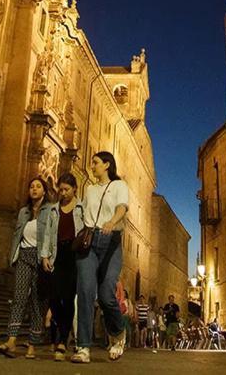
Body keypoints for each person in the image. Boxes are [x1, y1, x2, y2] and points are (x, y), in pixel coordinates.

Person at [71, 152, 131, 364]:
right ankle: (83, 347)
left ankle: (118, 332)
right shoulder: (89, 189)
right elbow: (83, 214)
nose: (92, 166)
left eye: (95, 162)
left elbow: (122, 207)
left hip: (111, 241)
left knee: (106, 295)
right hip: (89, 242)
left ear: (107, 165)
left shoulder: (119, 186)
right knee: (85, 292)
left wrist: (112, 222)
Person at [0, 176, 58, 359]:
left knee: (37, 302)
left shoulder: (50, 211)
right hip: (24, 255)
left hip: (41, 258)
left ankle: (32, 344)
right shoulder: (24, 212)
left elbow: (51, 235)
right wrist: (12, 256)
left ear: (44, 191)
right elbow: (17, 235)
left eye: (38, 186)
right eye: (31, 186)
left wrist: (49, 257)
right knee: (19, 297)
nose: (34, 189)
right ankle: (12, 341)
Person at [47, 173, 82, 362]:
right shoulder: (54, 209)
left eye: (66, 189)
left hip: (74, 254)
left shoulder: (81, 208)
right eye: (60, 189)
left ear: (75, 189)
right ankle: (62, 331)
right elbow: (48, 233)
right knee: (53, 297)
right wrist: (45, 254)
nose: (63, 193)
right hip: (56, 253)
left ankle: (61, 340)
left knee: (68, 299)